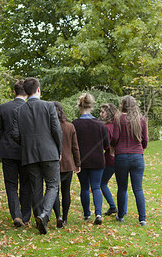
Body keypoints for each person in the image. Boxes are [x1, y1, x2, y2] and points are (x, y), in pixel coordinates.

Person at [11, 77, 62, 234]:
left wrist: (26, 144)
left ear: (25, 92)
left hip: (29, 154)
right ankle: (44, 215)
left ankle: (40, 218)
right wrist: (58, 149)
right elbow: (56, 130)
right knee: (53, 184)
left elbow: (15, 134)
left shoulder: (18, 111)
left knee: (36, 188)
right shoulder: (49, 106)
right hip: (49, 152)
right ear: (38, 89)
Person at [0, 80, 32, 227]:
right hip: (26, 151)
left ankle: (16, 214)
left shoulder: (4, 107)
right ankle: (25, 215)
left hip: (7, 150)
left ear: (15, 92)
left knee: (10, 185)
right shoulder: (29, 107)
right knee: (26, 183)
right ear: (27, 92)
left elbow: (0, 130)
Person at [111, 95, 148, 226]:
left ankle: (120, 216)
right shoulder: (141, 119)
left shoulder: (118, 119)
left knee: (122, 188)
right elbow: (145, 141)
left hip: (121, 156)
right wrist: (139, 149)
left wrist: (114, 146)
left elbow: (115, 138)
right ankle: (142, 218)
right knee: (138, 189)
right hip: (137, 156)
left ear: (123, 105)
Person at [72, 93, 109, 225]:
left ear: (79, 106)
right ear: (91, 106)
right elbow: (107, 144)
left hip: (81, 161)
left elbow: (73, 144)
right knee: (96, 187)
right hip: (97, 160)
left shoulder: (75, 124)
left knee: (84, 188)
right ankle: (98, 213)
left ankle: (87, 214)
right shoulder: (100, 124)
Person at [51, 101, 81, 228]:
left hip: (53, 162)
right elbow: (75, 147)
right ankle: (65, 218)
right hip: (68, 163)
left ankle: (57, 216)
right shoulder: (70, 126)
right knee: (66, 191)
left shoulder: (49, 127)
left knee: (54, 191)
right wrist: (78, 163)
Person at [99, 103, 120, 216]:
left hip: (110, 158)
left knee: (102, 183)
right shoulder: (118, 125)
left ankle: (112, 206)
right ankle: (123, 210)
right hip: (120, 156)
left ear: (109, 113)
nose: (100, 114)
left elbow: (106, 145)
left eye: (103, 112)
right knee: (122, 186)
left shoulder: (106, 127)